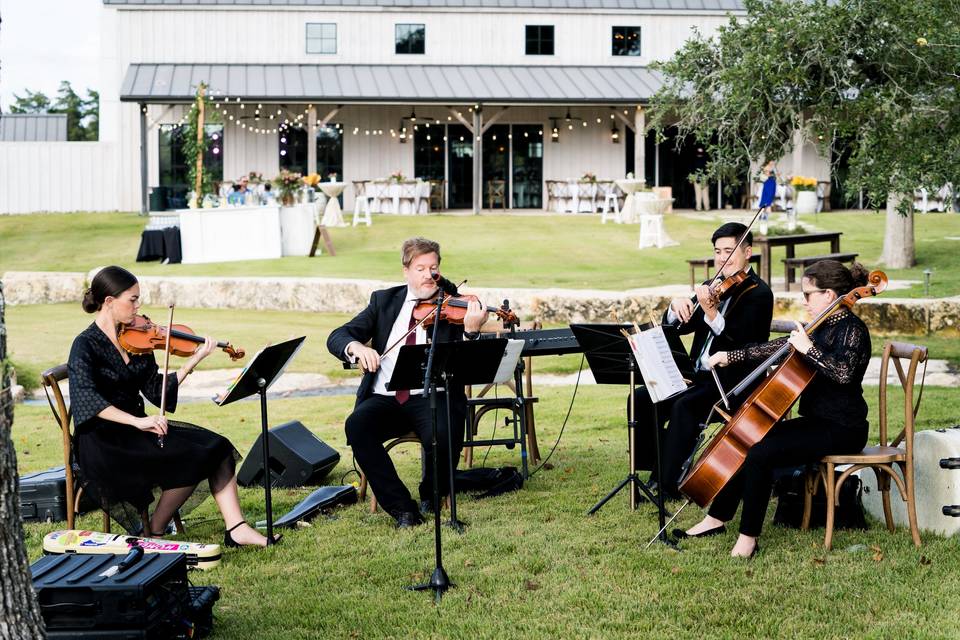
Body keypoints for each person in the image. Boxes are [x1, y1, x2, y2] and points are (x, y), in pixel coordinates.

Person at [67, 266, 274, 547]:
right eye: (133, 299)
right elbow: (87, 401)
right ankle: (155, 530)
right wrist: (139, 422)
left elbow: (155, 388)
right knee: (191, 456)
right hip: (105, 441)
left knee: (218, 446)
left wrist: (193, 360)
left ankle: (236, 528)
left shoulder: (134, 339)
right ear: (109, 302)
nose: (138, 306)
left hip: (141, 429)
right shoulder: (84, 345)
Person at [678, 260, 872, 557]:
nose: (804, 301)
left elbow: (844, 374)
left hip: (844, 428)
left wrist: (810, 350)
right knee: (752, 439)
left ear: (830, 295)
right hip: (816, 422)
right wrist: (731, 356)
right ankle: (715, 518)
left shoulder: (853, 330)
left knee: (761, 453)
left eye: (809, 294)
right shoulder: (819, 326)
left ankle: (748, 539)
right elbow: (778, 347)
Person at [326, 237, 489, 528]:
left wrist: (472, 332)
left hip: (431, 395)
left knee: (443, 429)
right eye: (420, 268)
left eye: (434, 268)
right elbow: (338, 335)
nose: (428, 275)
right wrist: (358, 348)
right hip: (385, 397)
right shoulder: (383, 301)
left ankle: (432, 493)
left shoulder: (454, 305)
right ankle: (403, 509)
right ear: (406, 271)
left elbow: (467, 363)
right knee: (357, 426)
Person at [631, 222, 773, 500]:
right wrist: (676, 307)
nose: (722, 258)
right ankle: (655, 471)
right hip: (696, 376)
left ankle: (671, 485)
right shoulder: (713, 286)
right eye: (718, 251)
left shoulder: (759, 293)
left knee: (685, 406)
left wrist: (711, 314)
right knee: (642, 398)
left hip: (733, 381)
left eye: (729, 251)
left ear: (748, 253)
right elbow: (679, 327)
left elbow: (742, 344)